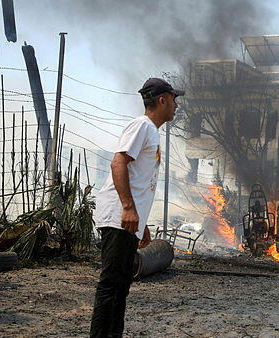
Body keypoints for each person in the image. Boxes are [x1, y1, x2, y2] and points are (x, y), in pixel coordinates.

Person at [90, 78, 184, 338]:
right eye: (174, 99)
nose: (177, 106)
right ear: (162, 100)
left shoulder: (150, 131)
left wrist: (140, 224)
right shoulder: (142, 126)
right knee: (111, 284)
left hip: (127, 220)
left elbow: (139, 179)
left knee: (121, 285)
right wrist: (129, 209)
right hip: (118, 216)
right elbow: (118, 163)